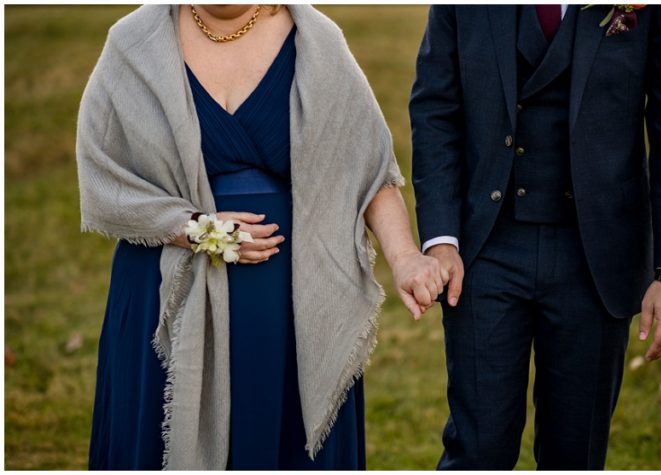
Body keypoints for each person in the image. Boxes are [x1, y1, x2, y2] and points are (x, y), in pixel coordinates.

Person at [78, 5, 444, 469]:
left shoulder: (316, 42)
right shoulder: (133, 44)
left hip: (291, 308)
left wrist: (407, 257)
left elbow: (369, 173)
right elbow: (104, 179)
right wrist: (198, 231)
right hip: (165, 297)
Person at [409, 5, 661, 470]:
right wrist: (442, 240)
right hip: (485, 250)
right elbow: (435, 110)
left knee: (576, 455)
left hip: (597, 259)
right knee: (478, 450)